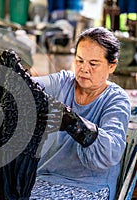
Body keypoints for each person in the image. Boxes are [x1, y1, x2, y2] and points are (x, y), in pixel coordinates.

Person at [29, 27, 131, 199]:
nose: (84, 69)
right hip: (46, 178)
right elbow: (31, 88)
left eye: (93, 64)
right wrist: (15, 78)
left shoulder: (117, 100)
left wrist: (75, 125)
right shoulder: (64, 82)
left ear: (112, 66)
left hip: (90, 187)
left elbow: (110, 151)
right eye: (79, 61)